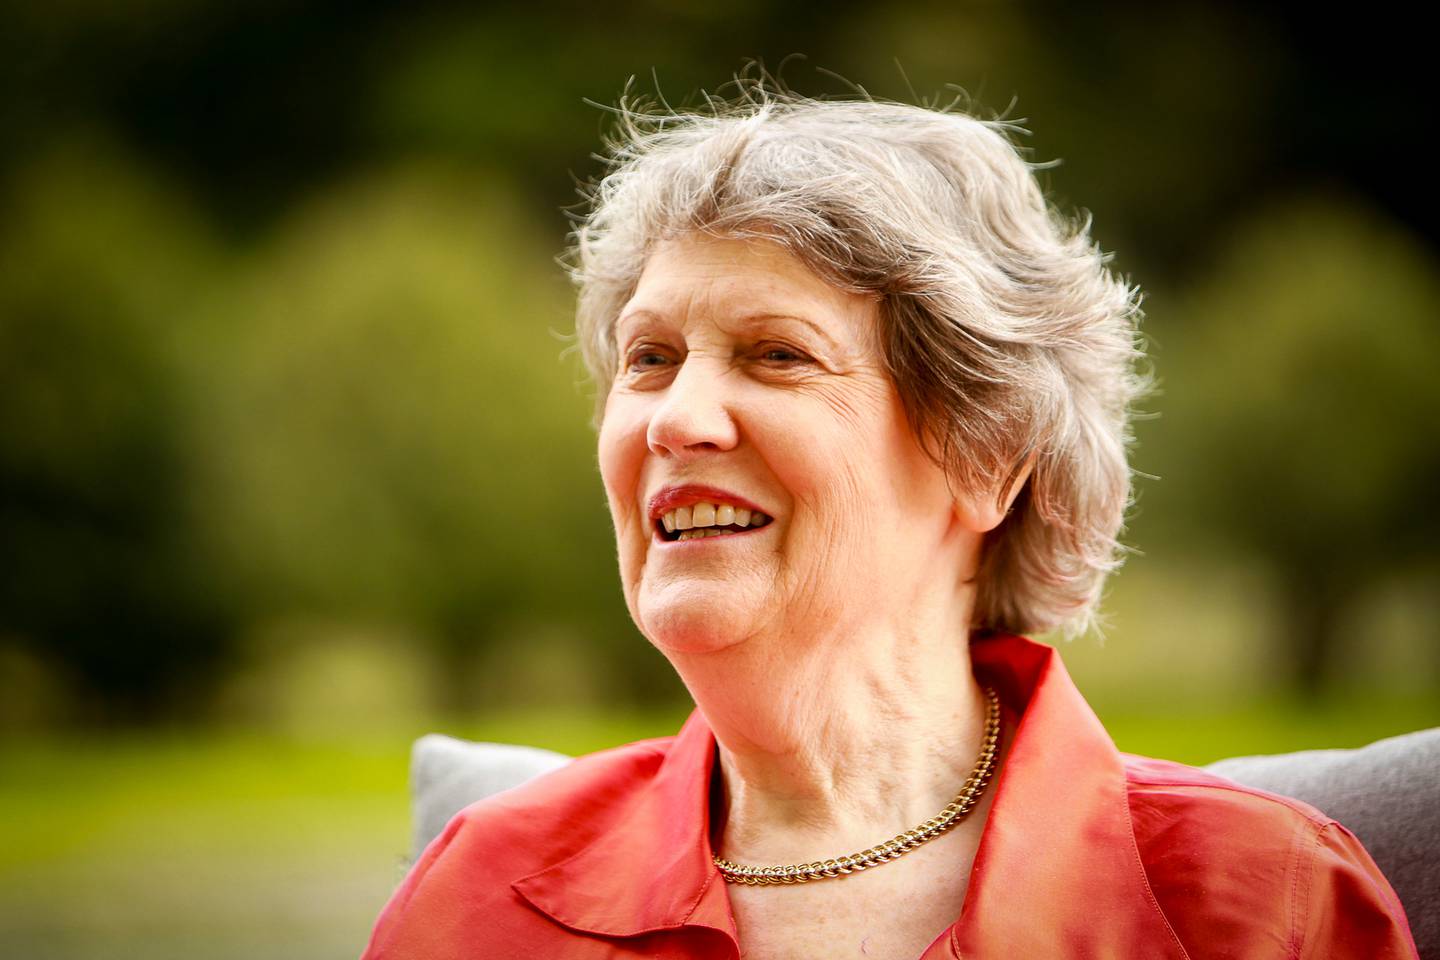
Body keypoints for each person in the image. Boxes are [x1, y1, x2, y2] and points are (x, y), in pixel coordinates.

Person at [362, 85, 1418, 958]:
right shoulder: (483, 897)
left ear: (989, 459)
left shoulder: (1264, 908)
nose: (675, 419)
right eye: (649, 358)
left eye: (778, 353)